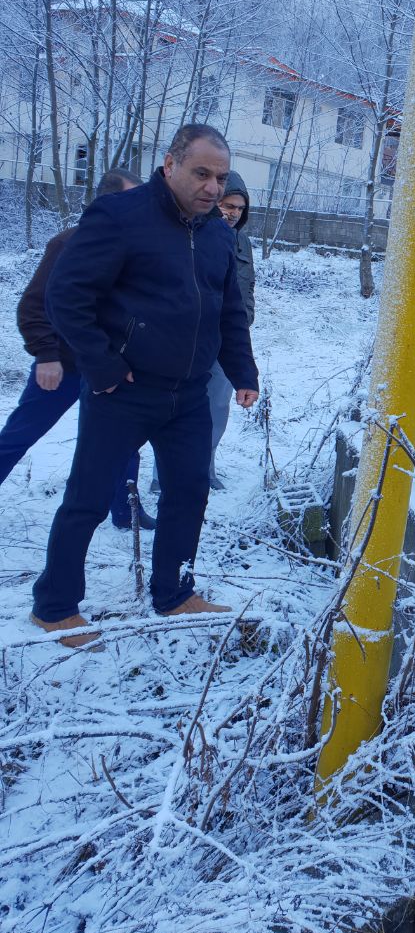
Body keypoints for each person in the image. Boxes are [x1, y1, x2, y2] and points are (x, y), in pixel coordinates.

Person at [29, 125, 259, 648]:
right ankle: (55, 605)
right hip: (123, 392)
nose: (211, 187)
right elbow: (66, 296)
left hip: (188, 395)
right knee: (86, 499)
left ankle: (174, 592)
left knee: (188, 494)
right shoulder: (120, 217)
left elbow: (229, 312)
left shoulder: (218, 233)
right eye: (201, 173)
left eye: (220, 177)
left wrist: (242, 372)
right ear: (170, 164)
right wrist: (103, 367)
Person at [0, 168, 154, 530]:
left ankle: (125, 511)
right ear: (108, 200)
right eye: (132, 199)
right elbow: (33, 306)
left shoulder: (135, 253)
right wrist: (46, 355)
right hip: (63, 367)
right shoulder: (69, 244)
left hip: (109, 368)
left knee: (124, 440)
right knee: (20, 434)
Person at [199, 170, 256, 489]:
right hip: (195, 338)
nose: (233, 212)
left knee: (217, 409)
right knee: (180, 409)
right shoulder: (197, 235)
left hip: (228, 341)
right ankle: (161, 475)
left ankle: (206, 468)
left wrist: (246, 318)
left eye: (239, 207)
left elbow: (247, 287)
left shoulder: (243, 242)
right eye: (227, 204)